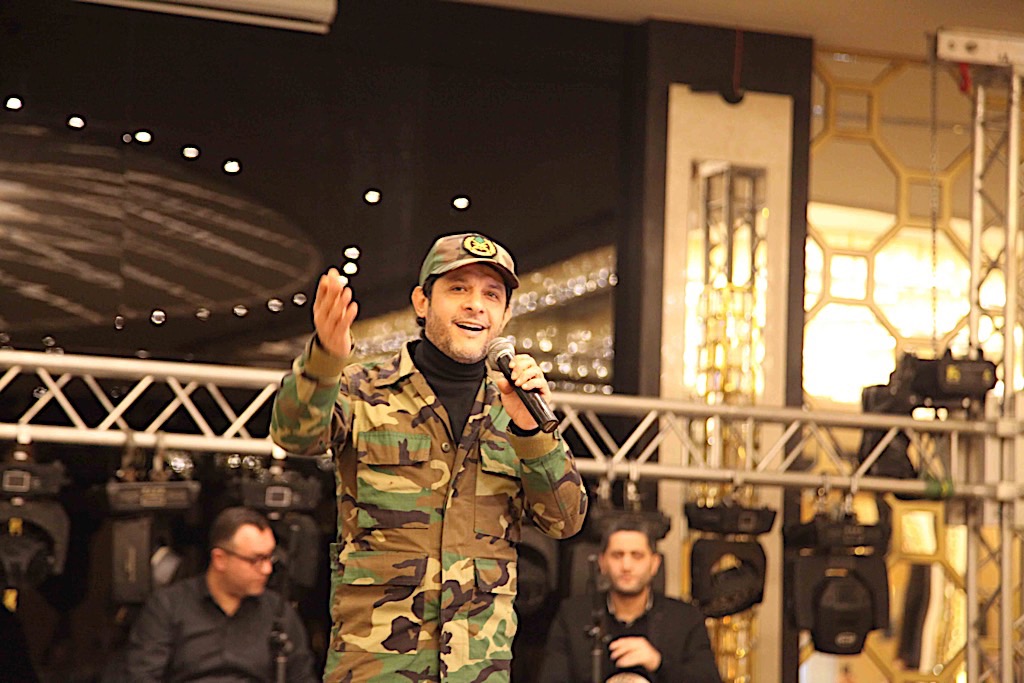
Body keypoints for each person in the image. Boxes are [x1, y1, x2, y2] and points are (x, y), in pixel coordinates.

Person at [270, 231, 588, 682]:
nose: (476, 305)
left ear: (505, 315)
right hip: (376, 668)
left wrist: (532, 431)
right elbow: (293, 435)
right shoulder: (363, 389)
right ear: (421, 302)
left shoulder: (514, 407)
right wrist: (324, 359)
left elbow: (566, 520)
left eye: (491, 295)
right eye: (458, 288)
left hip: (477, 670)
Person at [116, 506, 317, 683]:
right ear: (220, 559)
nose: (266, 569)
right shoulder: (168, 606)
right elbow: (142, 676)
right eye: (256, 560)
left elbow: (301, 676)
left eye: (269, 558)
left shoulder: (278, 612)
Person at [538, 517, 721, 683]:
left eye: (637, 555)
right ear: (602, 562)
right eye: (617, 555)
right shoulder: (572, 616)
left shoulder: (686, 618)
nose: (626, 566)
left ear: (654, 564)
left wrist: (658, 663)